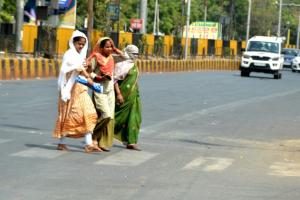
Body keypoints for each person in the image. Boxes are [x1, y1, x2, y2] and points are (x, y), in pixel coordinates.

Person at [52, 30, 101, 153]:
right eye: (79, 43)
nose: (81, 46)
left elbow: (86, 70)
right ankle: (62, 142)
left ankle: (89, 143)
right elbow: (68, 69)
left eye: (83, 44)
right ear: (73, 42)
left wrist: (88, 68)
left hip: (81, 89)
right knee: (69, 115)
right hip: (70, 89)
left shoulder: (81, 57)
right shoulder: (69, 54)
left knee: (89, 113)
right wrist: (86, 74)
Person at [87, 37, 123, 151]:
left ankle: (100, 142)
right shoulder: (96, 57)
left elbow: (125, 57)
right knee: (105, 115)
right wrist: (99, 77)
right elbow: (88, 72)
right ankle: (93, 138)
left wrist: (116, 49)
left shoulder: (112, 58)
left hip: (110, 90)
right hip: (99, 89)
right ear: (101, 47)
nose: (109, 49)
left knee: (110, 117)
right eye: (107, 47)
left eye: (111, 46)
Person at [114, 45, 142, 151]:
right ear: (129, 53)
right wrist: (119, 94)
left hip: (134, 96)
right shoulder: (122, 65)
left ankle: (131, 142)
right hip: (123, 96)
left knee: (135, 118)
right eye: (134, 54)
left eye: (137, 54)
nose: (136, 56)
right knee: (118, 118)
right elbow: (115, 80)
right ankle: (99, 133)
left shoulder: (133, 64)